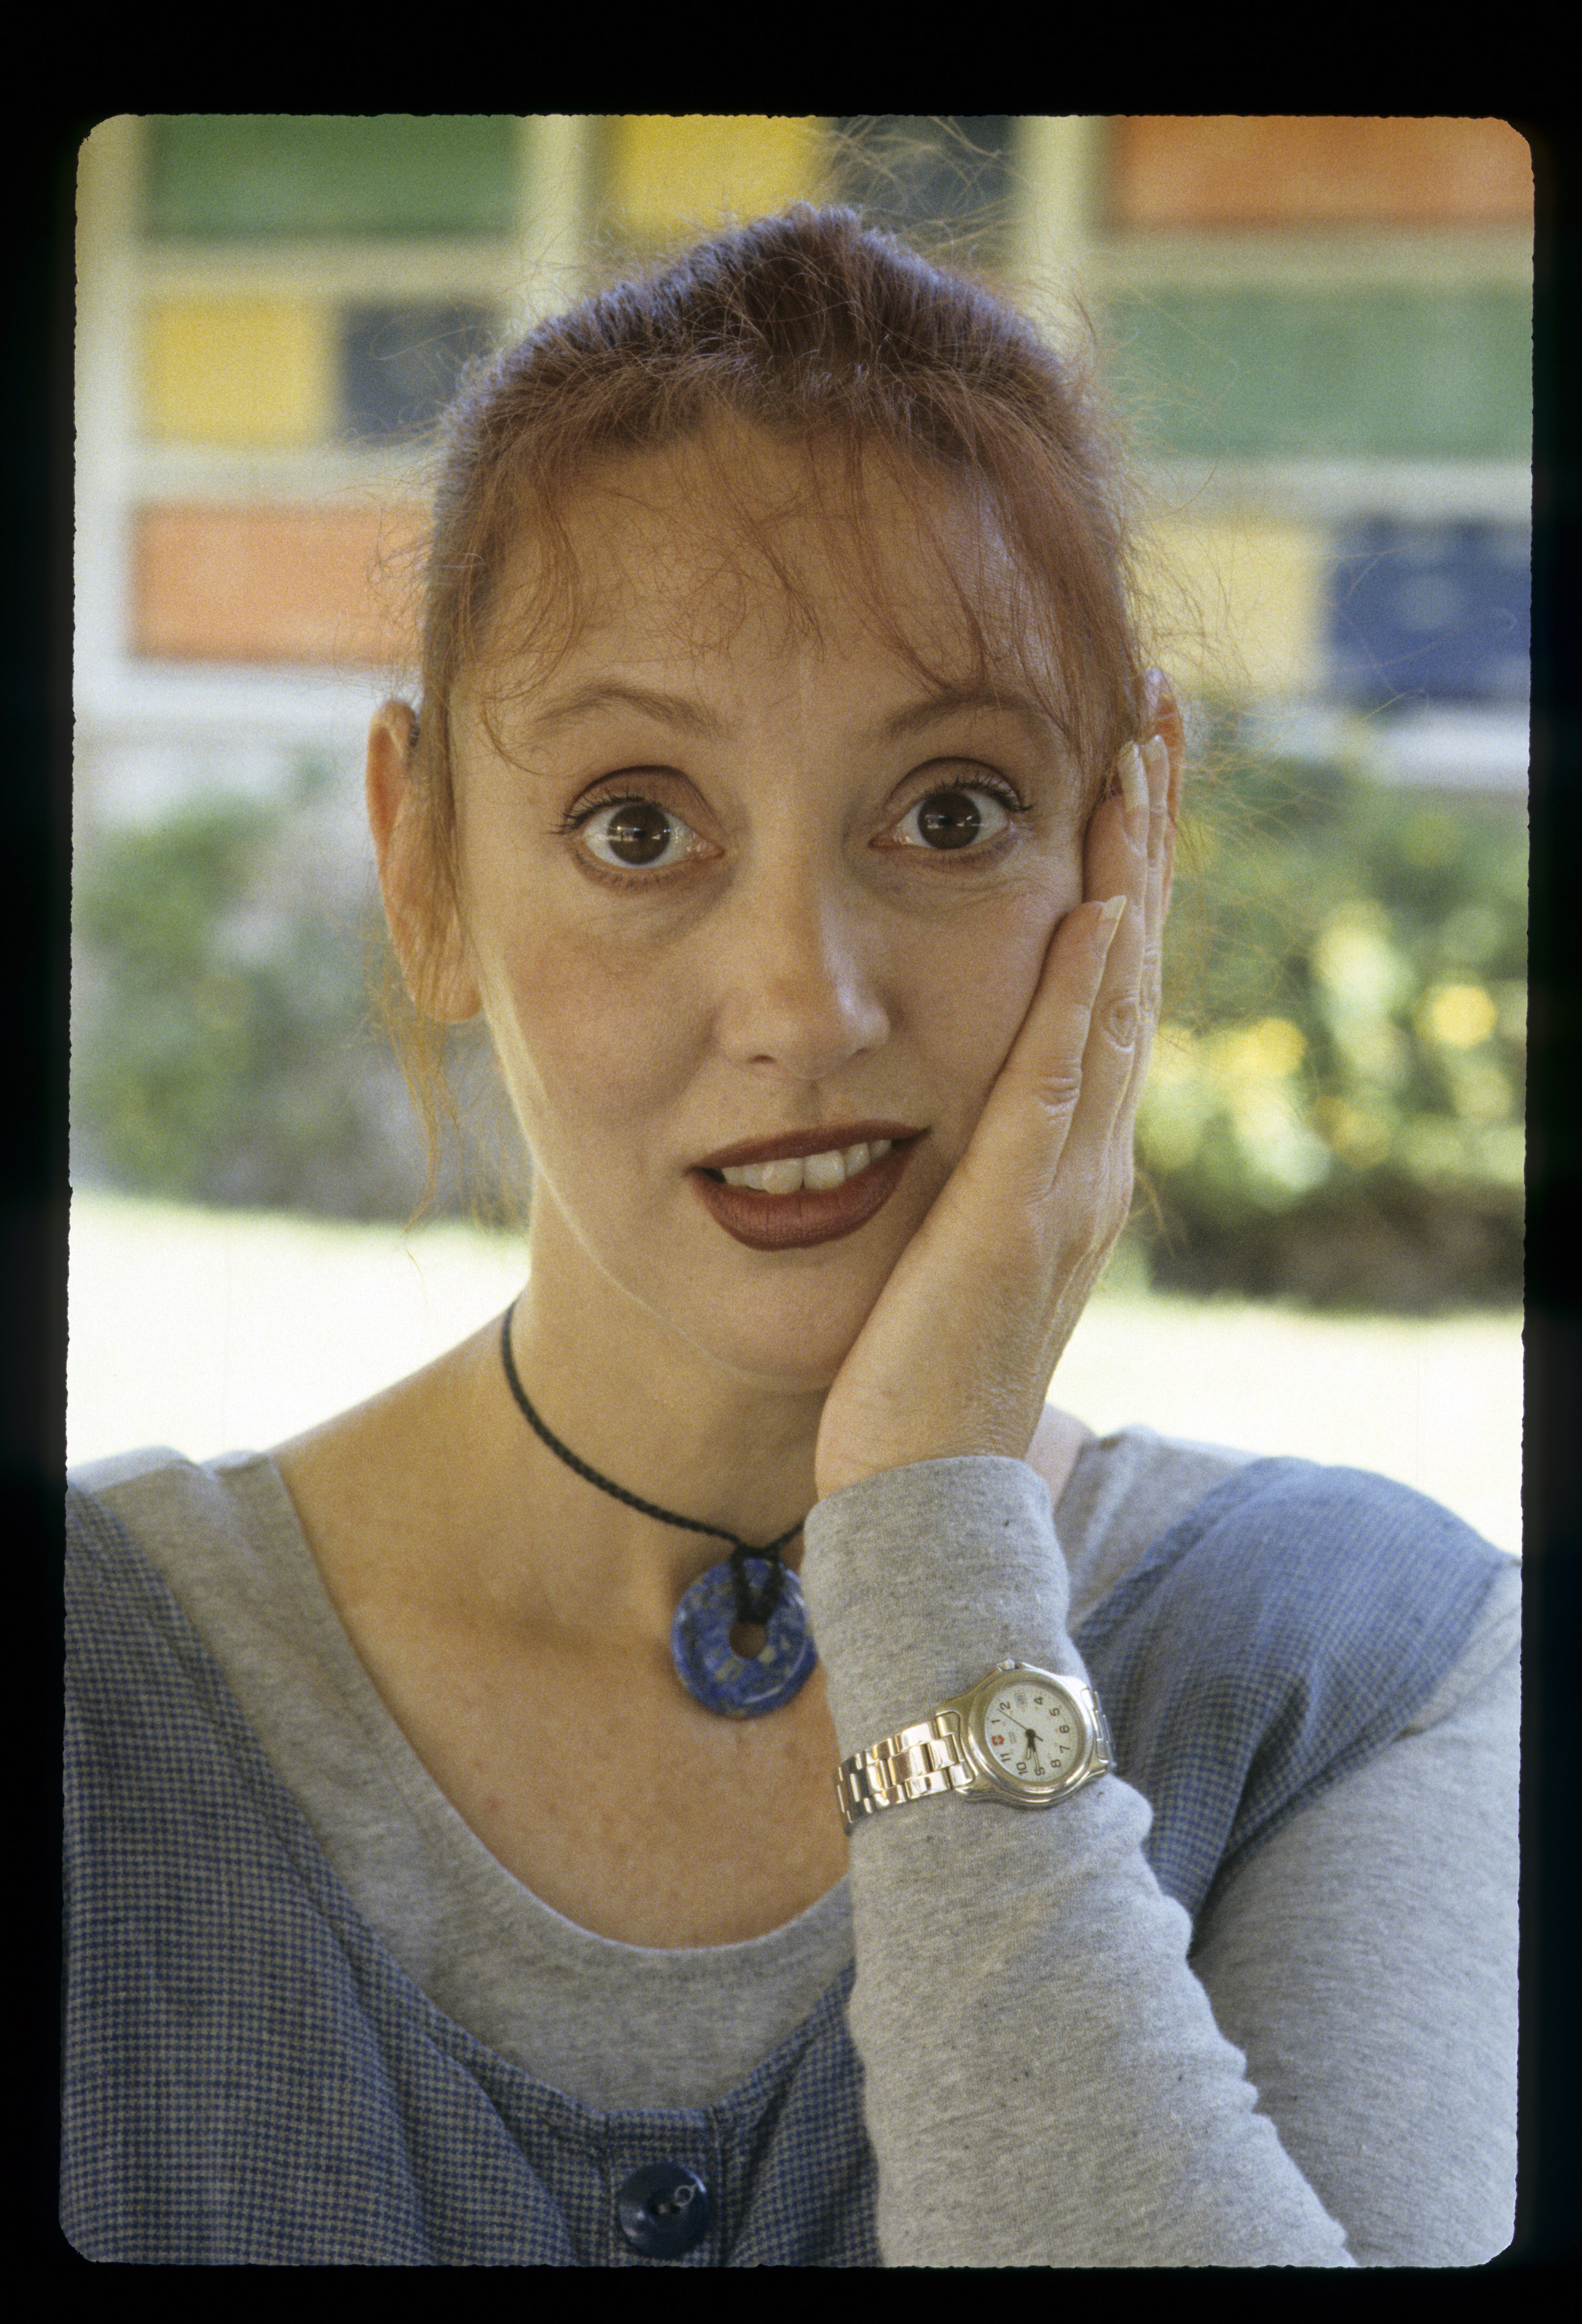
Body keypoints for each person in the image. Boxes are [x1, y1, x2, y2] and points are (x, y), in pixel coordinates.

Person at [63, 205, 1519, 2267]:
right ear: (425, 872)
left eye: (946, 813)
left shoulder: (1369, 1670)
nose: (804, 1005)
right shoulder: (94, 1688)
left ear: (1133, 838)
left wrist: (928, 1528)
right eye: (636, 825)